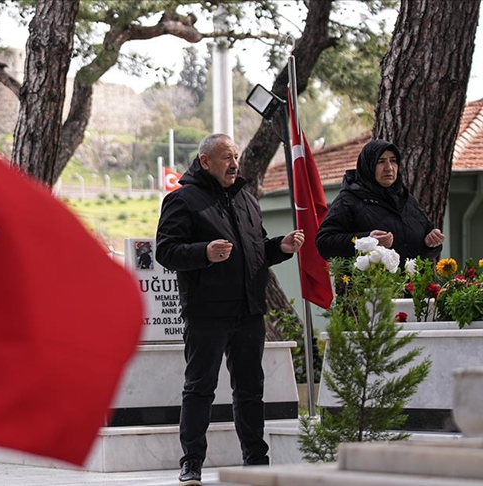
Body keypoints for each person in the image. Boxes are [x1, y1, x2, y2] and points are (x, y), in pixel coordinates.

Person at [155, 134, 304, 486]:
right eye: (226, 157)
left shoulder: (248, 201)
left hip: (250, 311)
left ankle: (256, 461)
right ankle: (191, 463)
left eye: (236, 156)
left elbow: (256, 253)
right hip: (207, 311)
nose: (234, 163)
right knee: (200, 388)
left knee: (251, 389)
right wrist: (204, 253)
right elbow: (166, 251)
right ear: (205, 161)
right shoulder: (182, 200)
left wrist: (279, 247)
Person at [316, 139, 444, 266]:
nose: (389, 168)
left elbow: (423, 247)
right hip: (368, 285)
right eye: (381, 161)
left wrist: (430, 243)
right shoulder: (349, 199)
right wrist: (368, 241)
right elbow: (324, 243)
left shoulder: (406, 199)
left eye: (393, 161)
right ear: (369, 165)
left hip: (412, 285)